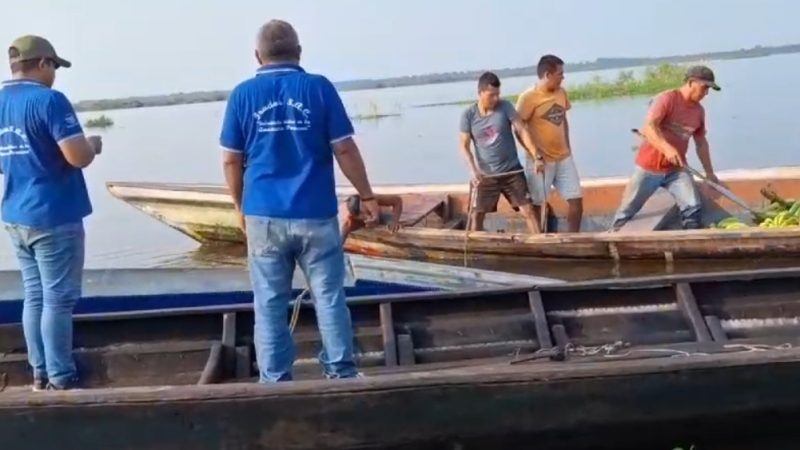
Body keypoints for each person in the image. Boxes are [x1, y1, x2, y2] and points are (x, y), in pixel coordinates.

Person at [220, 20, 379, 383]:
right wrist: (366, 195)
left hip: (263, 215)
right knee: (329, 298)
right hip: (316, 215)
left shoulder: (242, 95)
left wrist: (239, 207)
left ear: (257, 56)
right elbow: (344, 148)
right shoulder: (319, 88)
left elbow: (231, 159)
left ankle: (275, 380)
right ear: (299, 53)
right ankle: (341, 373)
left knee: (270, 304)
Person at [0, 35, 102, 391]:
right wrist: (92, 144)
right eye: (54, 66)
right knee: (58, 300)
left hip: (15, 213)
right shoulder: (50, 101)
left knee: (34, 294)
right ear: (42, 63)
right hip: (53, 215)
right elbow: (77, 156)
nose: (56, 74)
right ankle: (61, 377)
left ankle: (39, 373)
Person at [611, 65, 721, 231]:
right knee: (627, 211)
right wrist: (667, 149)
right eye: (704, 88)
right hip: (649, 167)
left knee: (692, 207)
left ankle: (690, 240)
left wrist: (709, 173)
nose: (706, 93)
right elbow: (649, 127)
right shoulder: (667, 99)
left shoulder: (699, 111)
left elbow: (701, 143)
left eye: (709, 90)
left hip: (677, 169)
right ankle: (613, 238)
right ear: (691, 82)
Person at [459, 72, 542, 233]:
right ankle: (478, 250)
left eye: (498, 94)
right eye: (491, 95)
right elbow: (464, 146)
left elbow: (522, 130)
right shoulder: (468, 115)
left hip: (512, 171)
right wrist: (473, 171)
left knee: (529, 211)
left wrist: (536, 156)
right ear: (480, 93)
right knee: (477, 215)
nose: (496, 99)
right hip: (486, 175)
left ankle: (540, 244)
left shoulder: (505, 107)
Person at [515, 55, 583, 232]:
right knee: (538, 204)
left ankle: (573, 240)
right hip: (541, 161)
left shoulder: (561, 92)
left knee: (576, 201)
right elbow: (518, 129)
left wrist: (568, 147)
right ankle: (540, 240)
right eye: (560, 74)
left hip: (564, 158)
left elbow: (563, 120)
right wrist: (534, 155)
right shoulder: (527, 98)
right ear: (547, 74)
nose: (563, 77)